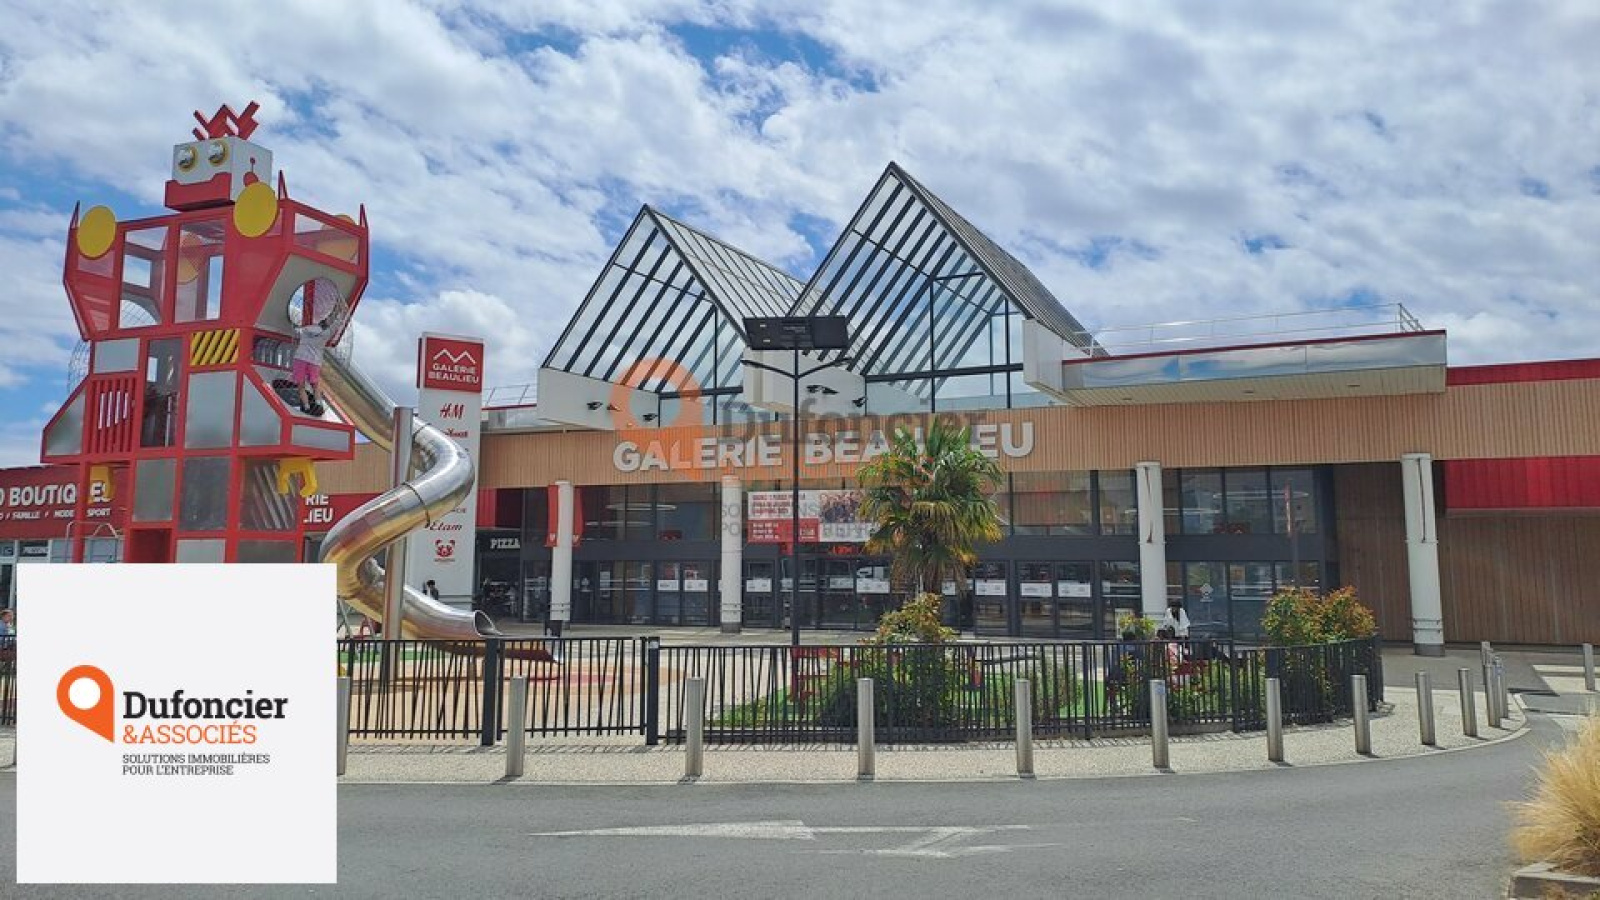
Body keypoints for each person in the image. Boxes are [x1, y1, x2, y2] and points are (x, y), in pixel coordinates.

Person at [292, 316, 331, 414]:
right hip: (315, 361)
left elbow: (297, 331)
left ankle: (306, 407)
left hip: (301, 358)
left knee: (301, 386)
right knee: (315, 385)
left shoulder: (307, 328)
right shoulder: (326, 334)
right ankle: (318, 405)